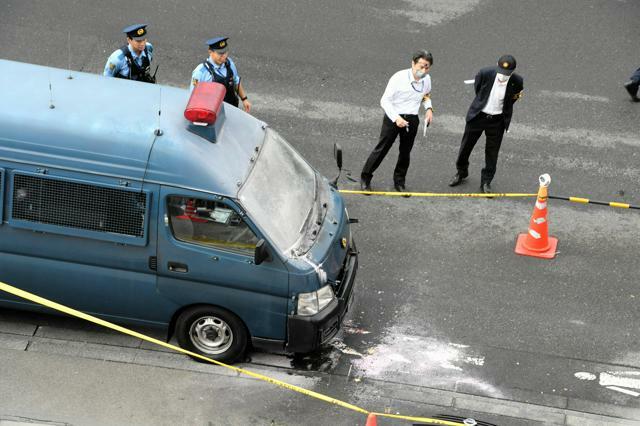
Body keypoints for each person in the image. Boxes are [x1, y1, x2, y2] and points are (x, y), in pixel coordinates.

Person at [360, 50, 434, 193]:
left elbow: (426, 95)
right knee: (382, 149)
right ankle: (365, 177)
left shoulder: (427, 79)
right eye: (421, 66)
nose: (423, 70)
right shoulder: (398, 78)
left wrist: (429, 108)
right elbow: (385, 100)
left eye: (427, 67)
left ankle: (399, 182)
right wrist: (396, 118)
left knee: (405, 152)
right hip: (394, 117)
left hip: (411, 119)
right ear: (413, 63)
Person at [448, 54, 524, 193]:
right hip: (478, 117)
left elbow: (514, 98)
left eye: (507, 75)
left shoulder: (517, 81)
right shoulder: (485, 73)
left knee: (492, 153)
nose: (502, 77)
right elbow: (478, 90)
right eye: (501, 73)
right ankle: (461, 172)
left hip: (497, 121)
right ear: (497, 66)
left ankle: (486, 181)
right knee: (465, 147)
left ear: (513, 72)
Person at [190, 37, 251, 113]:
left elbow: (236, 81)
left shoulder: (229, 64)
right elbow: (193, 98)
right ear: (210, 52)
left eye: (225, 52)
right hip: (213, 115)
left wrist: (244, 99)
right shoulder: (200, 72)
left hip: (232, 110)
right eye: (220, 53)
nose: (224, 56)